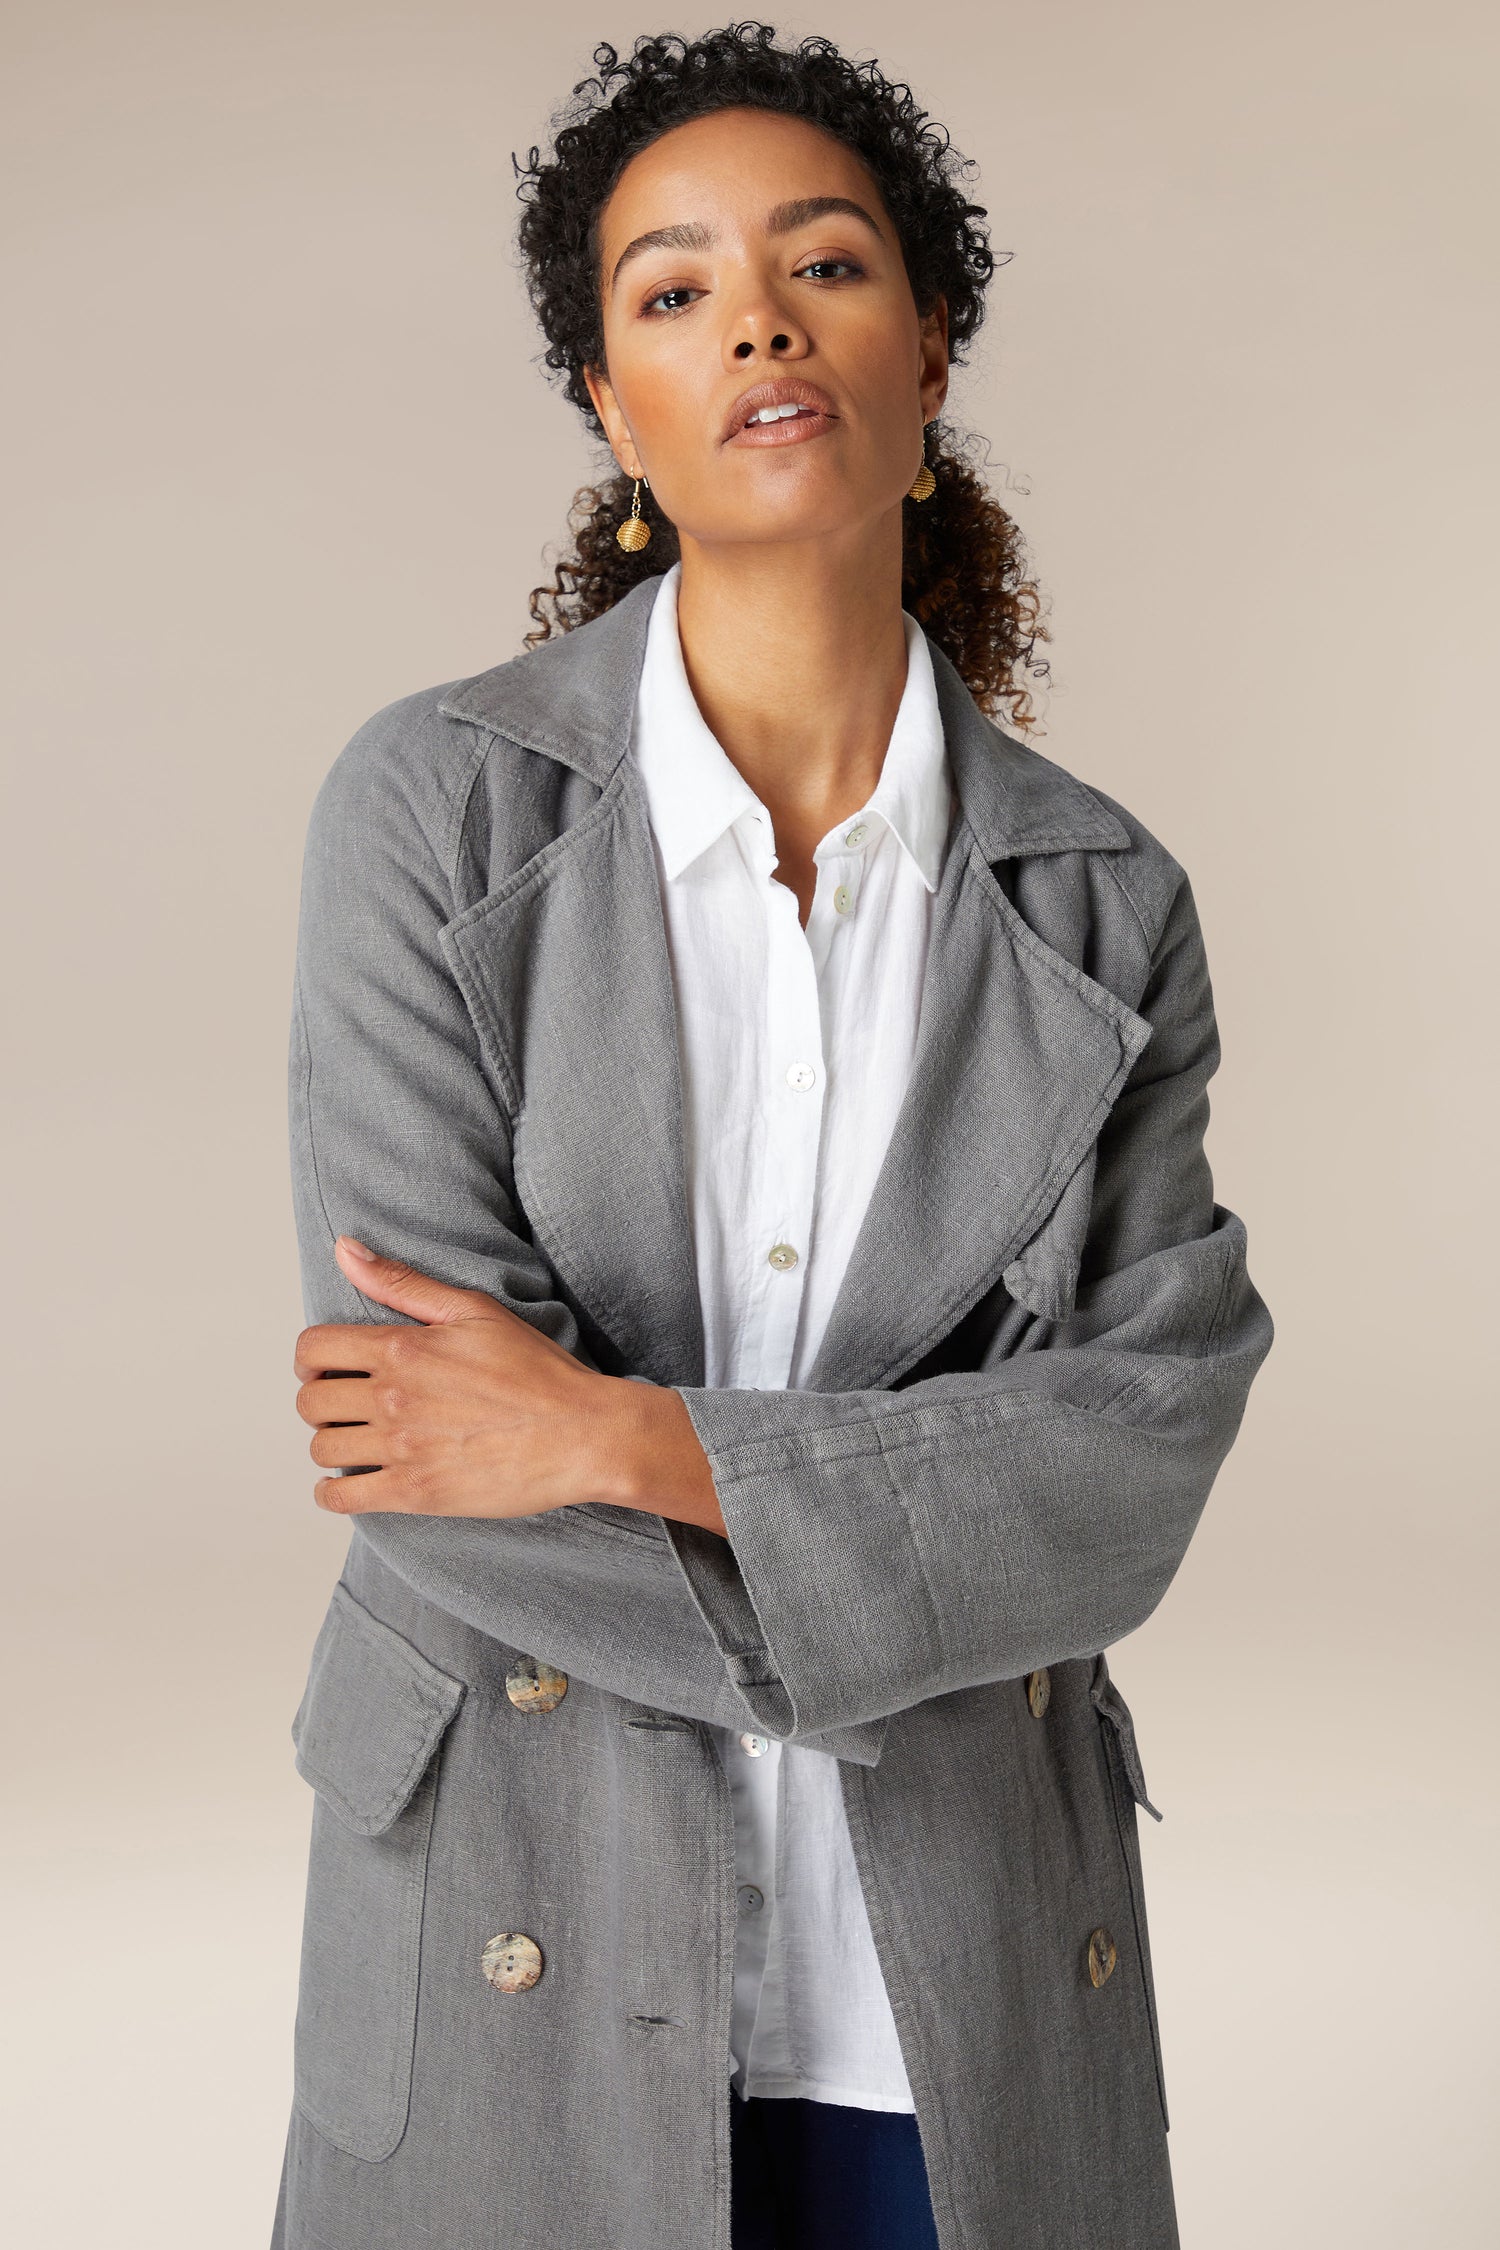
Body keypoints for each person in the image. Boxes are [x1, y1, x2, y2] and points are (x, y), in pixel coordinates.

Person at [273, 26, 1273, 2250]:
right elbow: (424, 1459)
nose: (756, 316)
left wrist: (628, 1441)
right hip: (522, 1932)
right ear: (610, 409)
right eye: (670, 288)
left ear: (929, 349)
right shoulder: (434, 817)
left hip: (963, 1975)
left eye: (826, 262)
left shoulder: (1104, 903)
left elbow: (1131, 1466)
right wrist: (917, 1548)